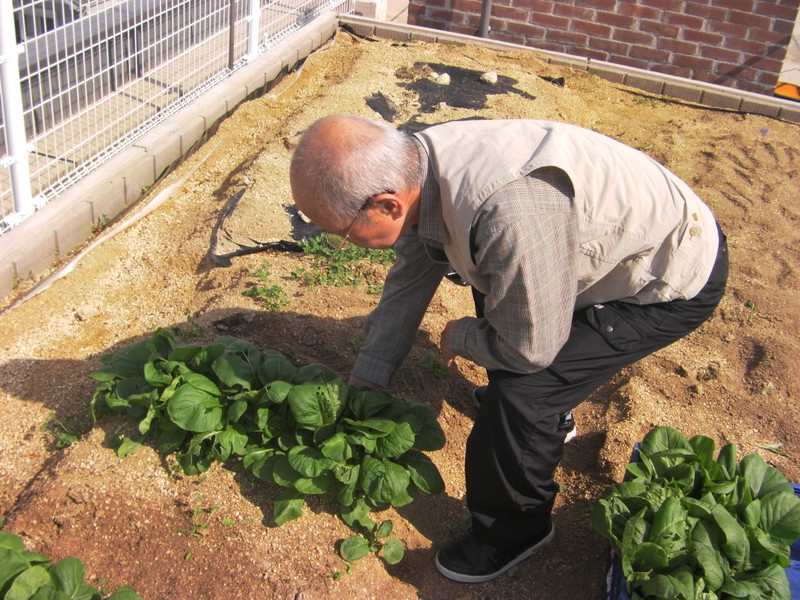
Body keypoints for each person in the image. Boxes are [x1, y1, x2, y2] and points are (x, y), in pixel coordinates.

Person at [289, 114, 728, 583]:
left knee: (524, 393)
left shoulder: (506, 212)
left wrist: (461, 336)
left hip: (665, 277)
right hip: (578, 243)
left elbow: (530, 349)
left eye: (342, 231)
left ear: (387, 204)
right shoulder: (419, 165)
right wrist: (371, 372)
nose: (345, 243)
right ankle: (550, 420)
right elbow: (413, 270)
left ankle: (514, 531)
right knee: (503, 291)